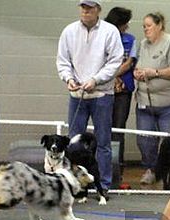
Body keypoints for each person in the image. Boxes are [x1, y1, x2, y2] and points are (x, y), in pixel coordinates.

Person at [56, 0, 123, 195]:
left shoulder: (110, 31)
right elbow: (63, 61)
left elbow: (115, 61)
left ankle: (104, 185)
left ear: (98, 10)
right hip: (77, 95)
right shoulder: (69, 31)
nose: (85, 11)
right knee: (73, 142)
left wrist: (96, 79)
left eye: (90, 8)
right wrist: (68, 78)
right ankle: (73, 184)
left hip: (102, 95)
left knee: (103, 142)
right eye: (83, 7)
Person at [133, 12, 170, 185]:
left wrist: (155, 73)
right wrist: (138, 73)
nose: (145, 29)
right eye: (143, 26)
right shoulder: (143, 44)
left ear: (159, 25)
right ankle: (152, 169)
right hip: (145, 102)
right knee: (144, 140)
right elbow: (138, 66)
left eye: (149, 25)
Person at [105, 6, 137, 176]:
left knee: (118, 128)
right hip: (103, 88)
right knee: (103, 126)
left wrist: (113, 75)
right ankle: (102, 165)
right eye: (125, 23)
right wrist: (109, 77)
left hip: (123, 91)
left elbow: (129, 62)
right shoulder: (102, 36)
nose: (127, 26)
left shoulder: (131, 39)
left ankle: (118, 168)